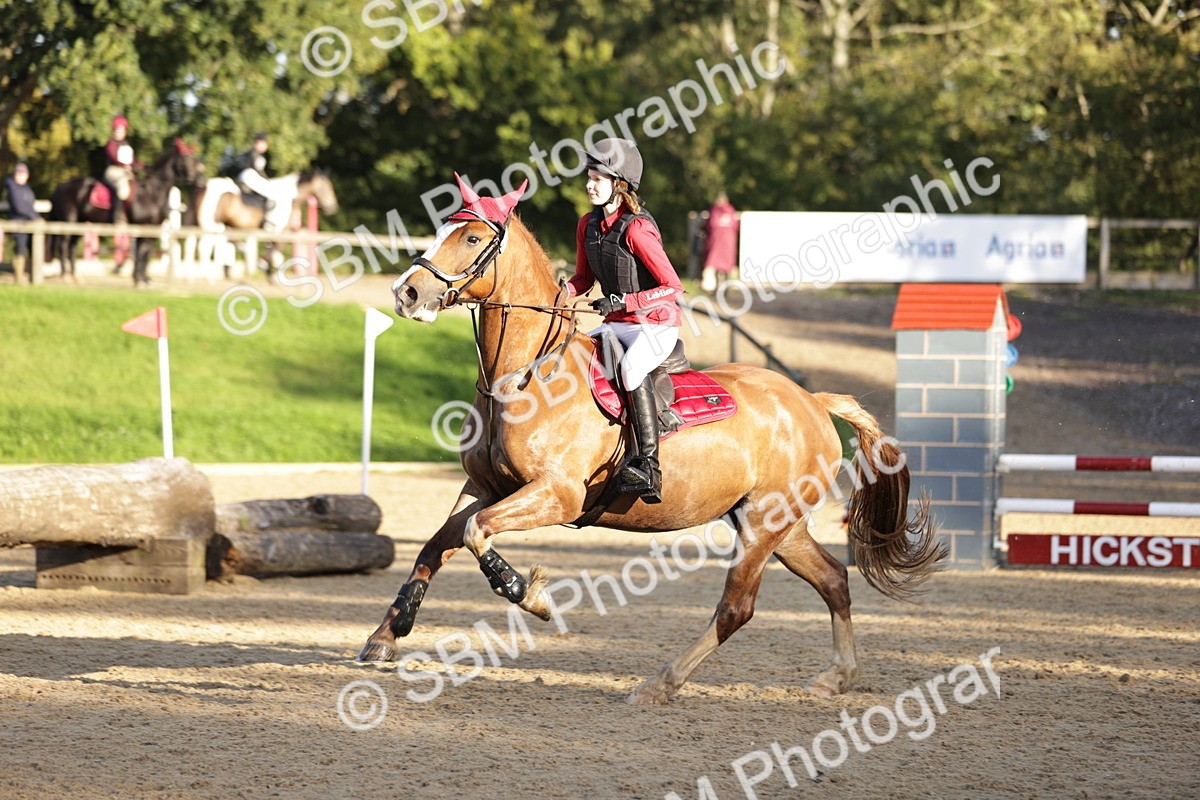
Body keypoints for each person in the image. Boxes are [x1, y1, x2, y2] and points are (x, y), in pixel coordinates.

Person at [563, 137, 684, 503]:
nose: (589, 184)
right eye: (589, 176)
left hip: (656, 324)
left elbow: (673, 286)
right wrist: (558, 294)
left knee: (631, 370)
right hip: (618, 324)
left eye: (598, 178)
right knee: (574, 354)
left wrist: (626, 301)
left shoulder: (637, 229)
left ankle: (648, 463)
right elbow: (582, 280)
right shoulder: (588, 225)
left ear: (620, 184)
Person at [233, 132, 280, 228]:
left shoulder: (254, 154)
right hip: (249, 175)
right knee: (272, 194)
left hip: (246, 175)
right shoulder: (254, 154)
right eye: (264, 143)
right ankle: (267, 219)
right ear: (258, 142)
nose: (266, 146)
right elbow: (259, 172)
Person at [5, 162, 41, 283]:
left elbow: (29, 206)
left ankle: (33, 276)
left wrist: (36, 216)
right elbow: (19, 207)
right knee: (20, 249)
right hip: (18, 223)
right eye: (18, 173)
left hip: (29, 223)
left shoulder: (26, 188)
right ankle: (18, 277)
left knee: (32, 248)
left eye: (23, 174)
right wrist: (34, 217)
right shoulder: (12, 187)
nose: (20, 176)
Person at [103, 116, 141, 224]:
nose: (120, 133)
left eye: (122, 130)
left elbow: (133, 160)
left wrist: (140, 165)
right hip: (113, 171)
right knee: (123, 186)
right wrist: (125, 165)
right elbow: (114, 156)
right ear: (114, 131)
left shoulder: (127, 145)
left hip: (126, 171)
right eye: (118, 130)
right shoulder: (111, 143)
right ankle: (117, 216)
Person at [701, 191, 739, 292]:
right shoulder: (731, 211)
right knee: (727, 267)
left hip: (716, 243)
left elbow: (709, 225)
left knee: (714, 266)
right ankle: (726, 288)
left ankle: (715, 289)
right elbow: (736, 226)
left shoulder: (715, 211)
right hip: (729, 244)